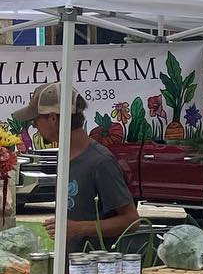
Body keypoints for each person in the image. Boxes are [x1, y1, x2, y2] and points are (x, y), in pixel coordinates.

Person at [16, 83, 138, 253]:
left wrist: (79, 228)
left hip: (96, 271)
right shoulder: (65, 156)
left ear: (53, 118)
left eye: (35, 120)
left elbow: (131, 220)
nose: (34, 126)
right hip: (69, 269)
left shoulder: (100, 162)